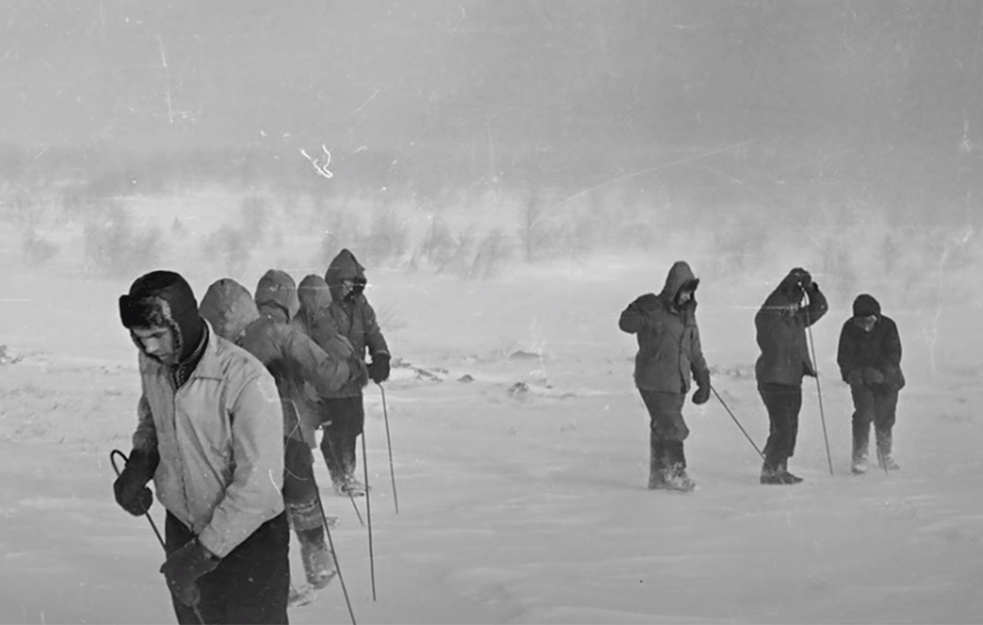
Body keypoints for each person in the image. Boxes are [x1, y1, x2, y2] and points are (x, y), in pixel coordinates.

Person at [112, 270, 288, 624]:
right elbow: (155, 419)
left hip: (248, 544)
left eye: (157, 335)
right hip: (183, 530)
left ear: (183, 324)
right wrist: (140, 463)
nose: (148, 347)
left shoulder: (246, 379)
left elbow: (259, 488)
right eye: (139, 338)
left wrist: (203, 553)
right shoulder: (155, 363)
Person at [198, 275, 360, 604]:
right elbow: (326, 371)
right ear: (290, 300)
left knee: (254, 508)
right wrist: (353, 369)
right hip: (286, 429)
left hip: (232, 437)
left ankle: (268, 584)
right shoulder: (281, 332)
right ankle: (316, 556)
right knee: (299, 489)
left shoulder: (212, 340)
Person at [619, 260, 711, 492]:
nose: (687, 297)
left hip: (677, 383)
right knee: (673, 427)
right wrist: (637, 308)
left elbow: (695, 351)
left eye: (691, 292)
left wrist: (704, 379)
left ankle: (659, 478)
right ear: (674, 288)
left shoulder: (689, 317)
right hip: (653, 380)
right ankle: (677, 475)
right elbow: (626, 324)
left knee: (662, 429)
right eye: (684, 291)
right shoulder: (652, 309)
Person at [306, 250, 391, 497]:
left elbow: (372, 330)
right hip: (332, 380)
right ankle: (340, 477)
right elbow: (330, 341)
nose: (352, 289)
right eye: (348, 284)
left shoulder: (360, 305)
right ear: (336, 281)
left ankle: (348, 473)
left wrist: (381, 354)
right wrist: (360, 367)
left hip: (354, 380)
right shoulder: (324, 305)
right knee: (336, 429)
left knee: (353, 426)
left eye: (356, 284)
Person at [754, 267, 828, 485]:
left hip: (793, 379)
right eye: (790, 302)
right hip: (772, 379)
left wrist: (809, 288)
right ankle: (769, 471)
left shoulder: (797, 320)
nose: (794, 306)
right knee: (783, 427)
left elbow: (821, 307)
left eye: (797, 303)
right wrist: (789, 282)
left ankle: (780, 468)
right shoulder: (768, 319)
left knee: (789, 427)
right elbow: (771, 304)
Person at [836, 293, 905, 474]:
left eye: (870, 320)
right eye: (861, 321)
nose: (866, 326)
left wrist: (881, 373)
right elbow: (844, 356)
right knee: (864, 414)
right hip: (861, 380)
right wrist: (851, 374)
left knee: (885, 416)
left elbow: (894, 354)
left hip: (888, 380)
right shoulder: (848, 329)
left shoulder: (888, 326)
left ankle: (885, 454)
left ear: (877, 317)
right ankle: (860, 456)